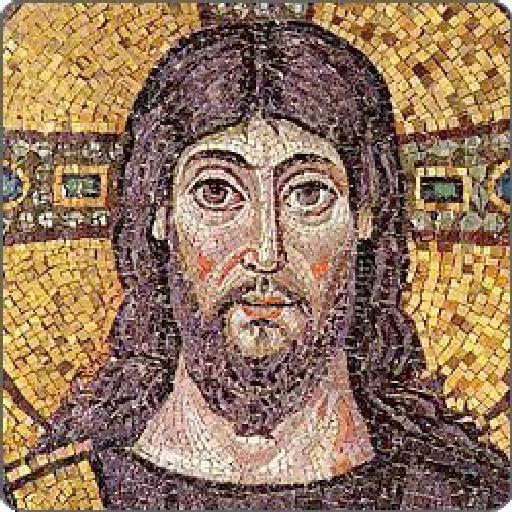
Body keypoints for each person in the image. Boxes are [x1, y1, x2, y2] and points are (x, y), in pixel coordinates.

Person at [20, 20, 508, 510]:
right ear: (160, 214)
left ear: (365, 215)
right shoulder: (62, 499)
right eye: (216, 192)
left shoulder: (466, 500)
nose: (266, 253)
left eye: (308, 194)